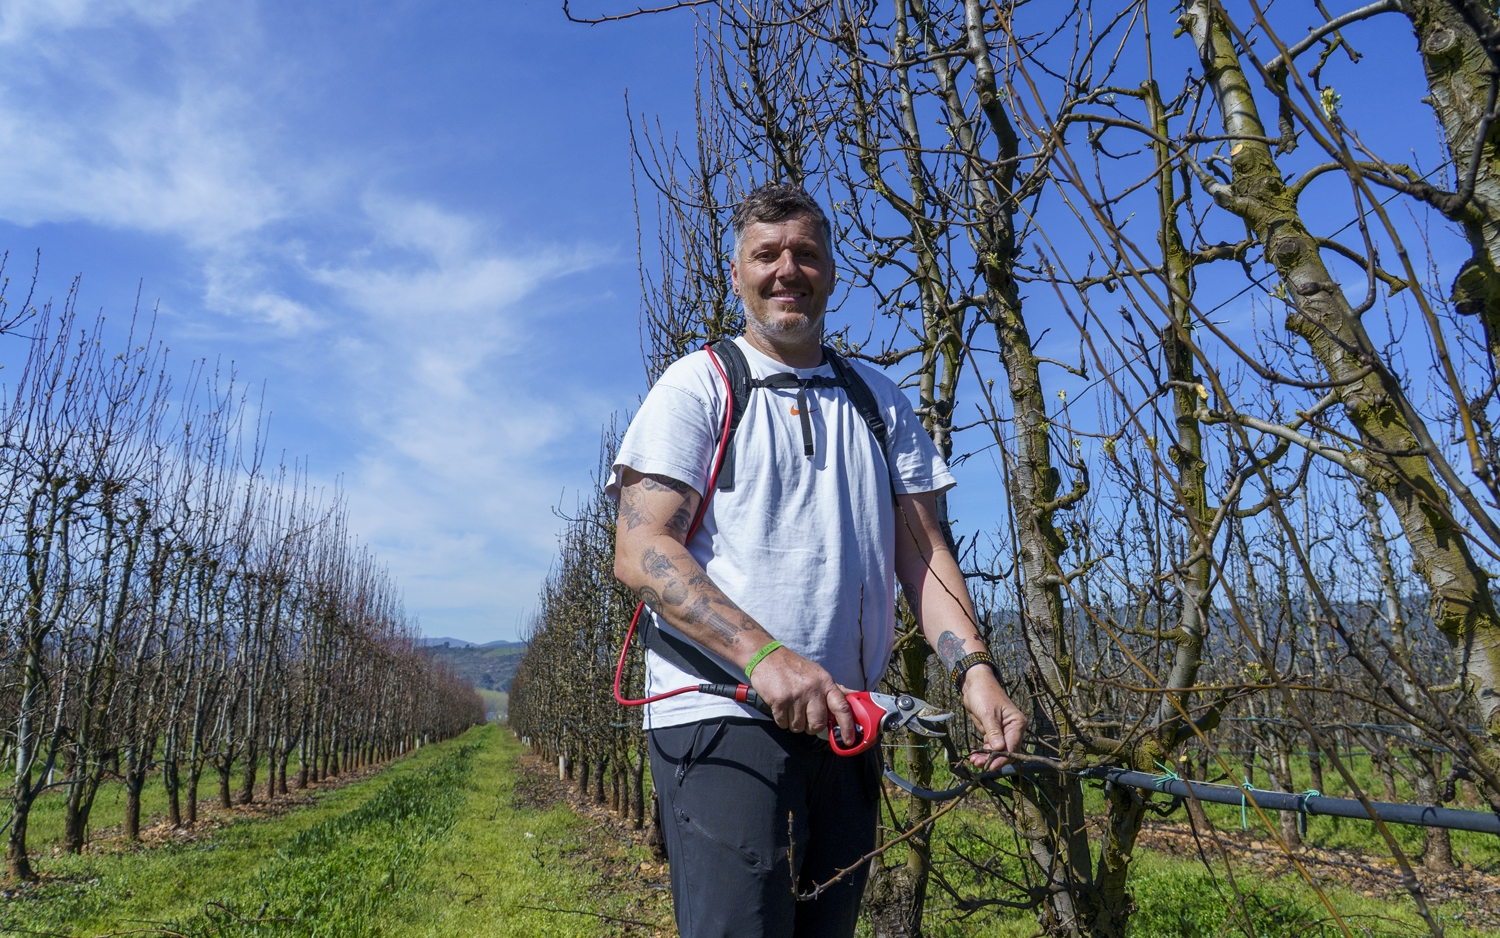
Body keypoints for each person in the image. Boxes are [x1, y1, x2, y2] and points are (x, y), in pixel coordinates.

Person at [607, 183, 1026, 938]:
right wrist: (764, 656)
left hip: (845, 721)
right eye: (765, 255)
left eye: (805, 253)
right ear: (735, 274)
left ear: (832, 272)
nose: (786, 270)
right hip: (721, 713)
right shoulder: (698, 386)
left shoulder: (879, 401)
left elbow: (925, 553)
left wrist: (977, 671)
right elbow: (641, 550)